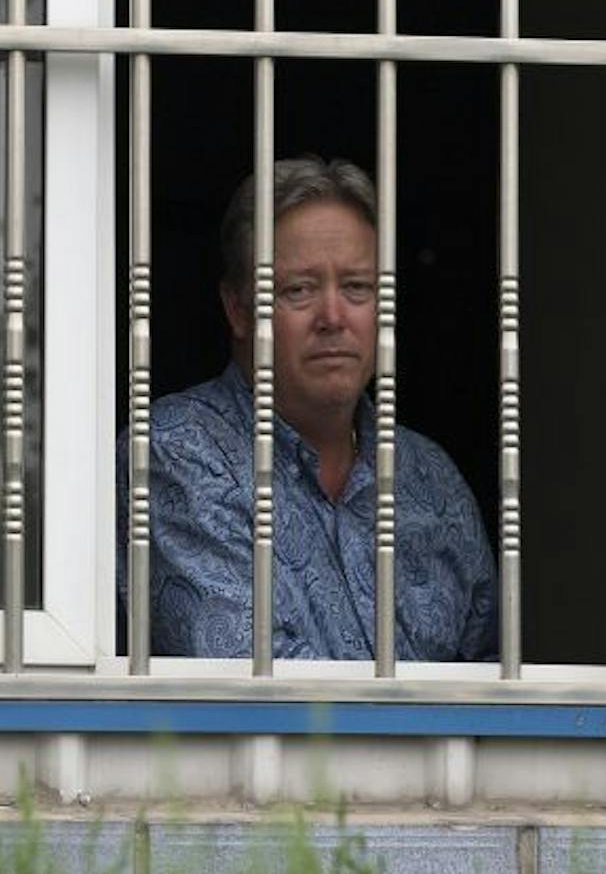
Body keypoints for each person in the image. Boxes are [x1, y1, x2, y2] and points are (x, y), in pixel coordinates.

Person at [119, 156, 498, 661]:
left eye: (358, 287)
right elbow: (253, 691)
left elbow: (493, 691)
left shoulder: (430, 478)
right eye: (299, 289)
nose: (334, 317)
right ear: (238, 309)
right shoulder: (174, 452)